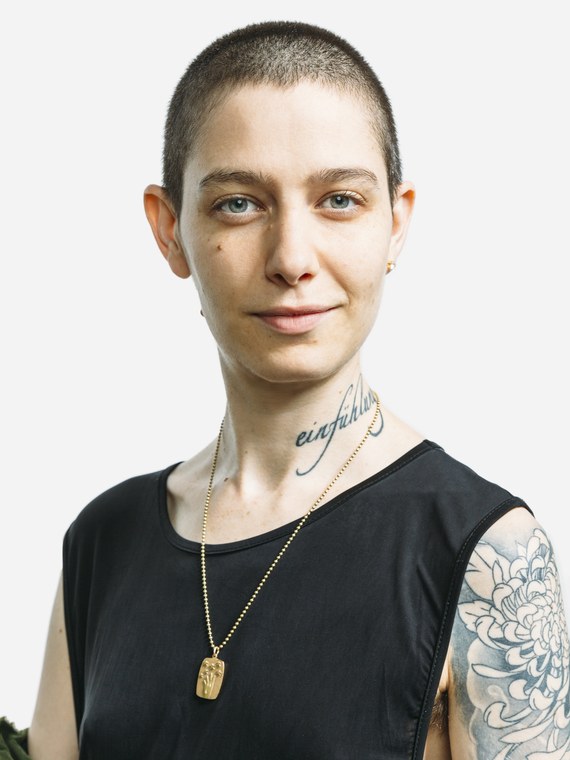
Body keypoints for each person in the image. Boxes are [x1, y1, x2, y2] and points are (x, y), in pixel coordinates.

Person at [22, 20, 569, 760]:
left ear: (396, 224)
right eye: (238, 203)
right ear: (169, 229)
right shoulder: (103, 541)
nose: (291, 258)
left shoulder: (489, 555)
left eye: (339, 200)